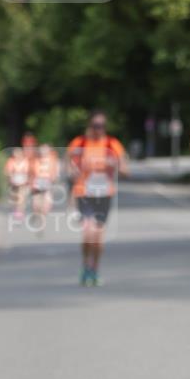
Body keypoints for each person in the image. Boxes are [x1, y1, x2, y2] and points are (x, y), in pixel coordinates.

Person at [67, 112, 128, 286]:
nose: (97, 129)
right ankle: (85, 266)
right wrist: (73, 171)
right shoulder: (80, 143)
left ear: (105, 127)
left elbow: (125, 170)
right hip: (84, 193)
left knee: (98, 237)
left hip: (103, 195)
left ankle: (94, 269)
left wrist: (114, 165)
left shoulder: (112, 144)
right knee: (88, 232)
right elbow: (68, 165)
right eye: (94, 125)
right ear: (89, 125)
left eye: (101, 126)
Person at [29, 143, 60, 235]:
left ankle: (41, 227)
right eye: (42, 150)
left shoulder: (53, 160)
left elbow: (56, 172)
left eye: (45, 150)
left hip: (48, 184)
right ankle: (36, 215)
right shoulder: (35, 160)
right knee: (36, 205)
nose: (43, 152)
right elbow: (30, 172)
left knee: (45, 207)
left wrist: (54, 178)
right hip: (37, 184)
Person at [4, 147, 32, 221]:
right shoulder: (11, 161)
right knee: (14, 197)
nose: (16, 155)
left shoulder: (26, 161)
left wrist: (27, 180)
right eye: (15, 154)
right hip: (13, 182)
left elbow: (28, 172)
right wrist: (10, 177)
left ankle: (20, 211)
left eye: (18, 153)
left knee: (21, 197)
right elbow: (7, 171)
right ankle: (15, 209)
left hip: (23, 182)